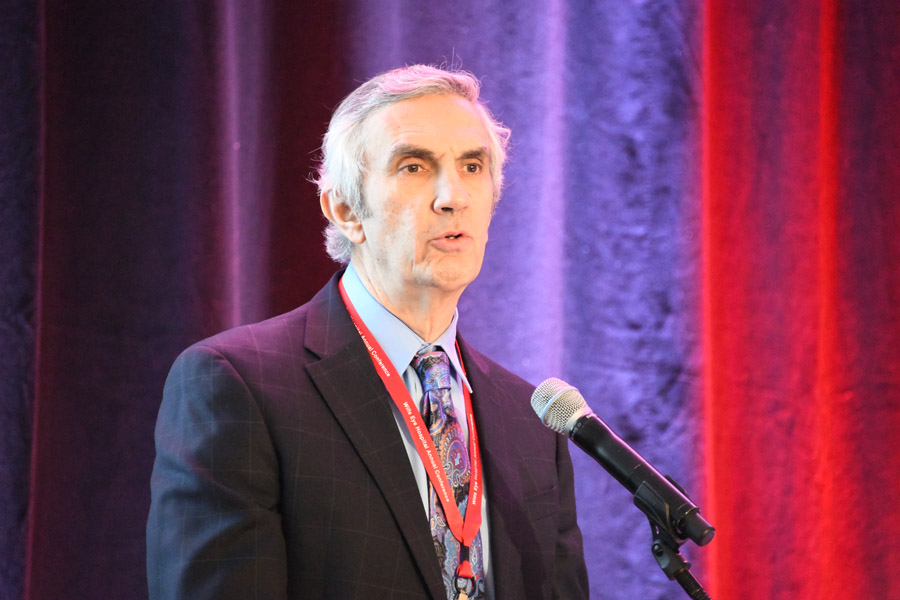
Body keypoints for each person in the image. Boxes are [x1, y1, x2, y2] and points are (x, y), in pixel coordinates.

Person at [146, 64, 589, 600]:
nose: (454, 196)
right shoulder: (239, 387)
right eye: (414, 166)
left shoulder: (533, 421)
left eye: (472, 166)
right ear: (345, 209)